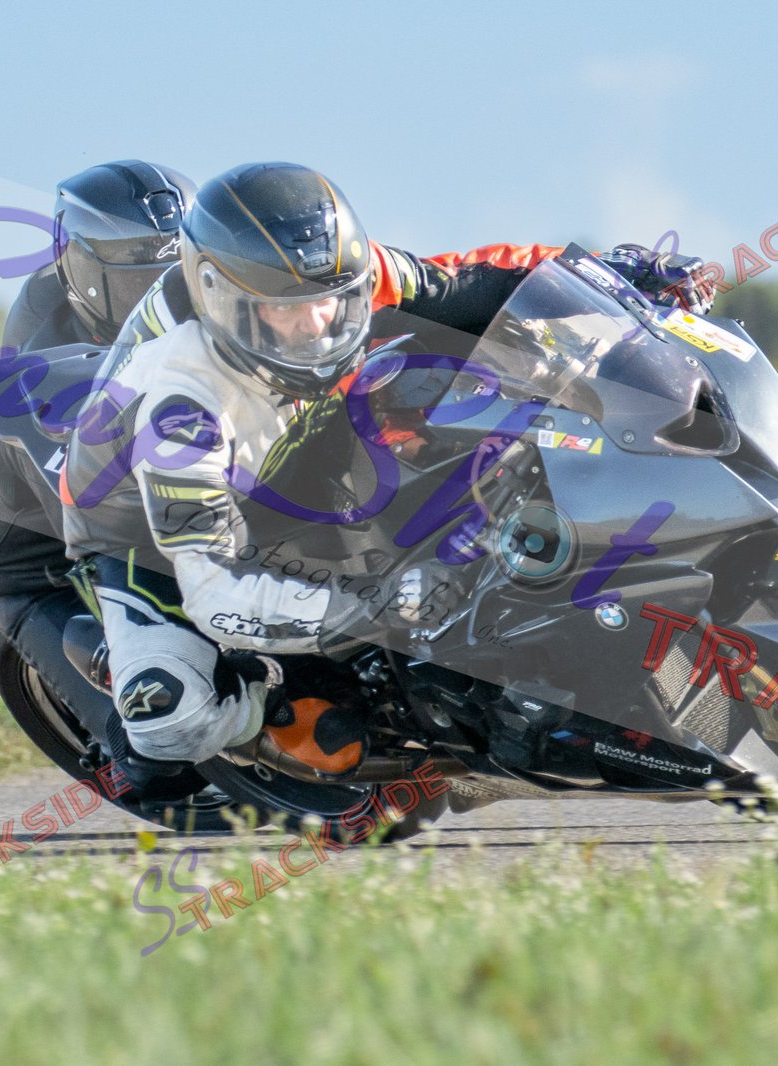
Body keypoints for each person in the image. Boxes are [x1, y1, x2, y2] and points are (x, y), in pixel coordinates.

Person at [59, 161, 716, 783]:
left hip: (291, 438)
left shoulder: (331, 272)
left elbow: (465, 281)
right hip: (150, 535)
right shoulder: (180, 411)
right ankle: (262, 710)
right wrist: (375, 608)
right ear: (225, 301)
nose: (316, 324)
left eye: (331, 298)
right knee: (174, 723)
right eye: (286, 308)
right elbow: (214, 590)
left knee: (447, 362)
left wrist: (612, 275)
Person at [0, 160, 200, 798]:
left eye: (179, 267)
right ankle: (126, 736)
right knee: (25, 581)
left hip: (131, 437)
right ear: (83, 269)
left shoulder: (211, 297)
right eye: (140, 272)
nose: (164, 292)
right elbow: (74, 478)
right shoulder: (43, 322)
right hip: (20, 500)